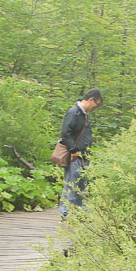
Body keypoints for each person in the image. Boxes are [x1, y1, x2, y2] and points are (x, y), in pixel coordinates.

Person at [58, 87, 102, 220]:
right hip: (75, 156)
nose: (96, 107)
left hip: (83, 156)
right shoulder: (74, 113)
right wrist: (73, 150)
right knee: (71, 184)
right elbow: (65, 134)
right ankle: (66, 213)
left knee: (81, 184)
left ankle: (78, 213)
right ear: (90, 100)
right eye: (96, 104)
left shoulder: (83, 114)